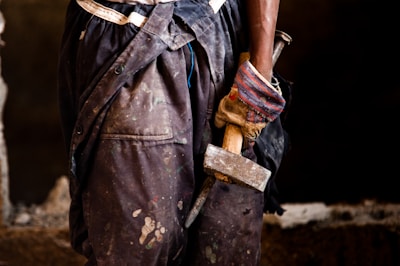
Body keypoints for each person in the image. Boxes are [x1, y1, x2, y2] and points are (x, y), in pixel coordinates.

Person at [57, 0, 290, 265]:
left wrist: (260, 68)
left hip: (219, 31)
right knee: (140, 240)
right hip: (128, 33)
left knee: (225, 242)